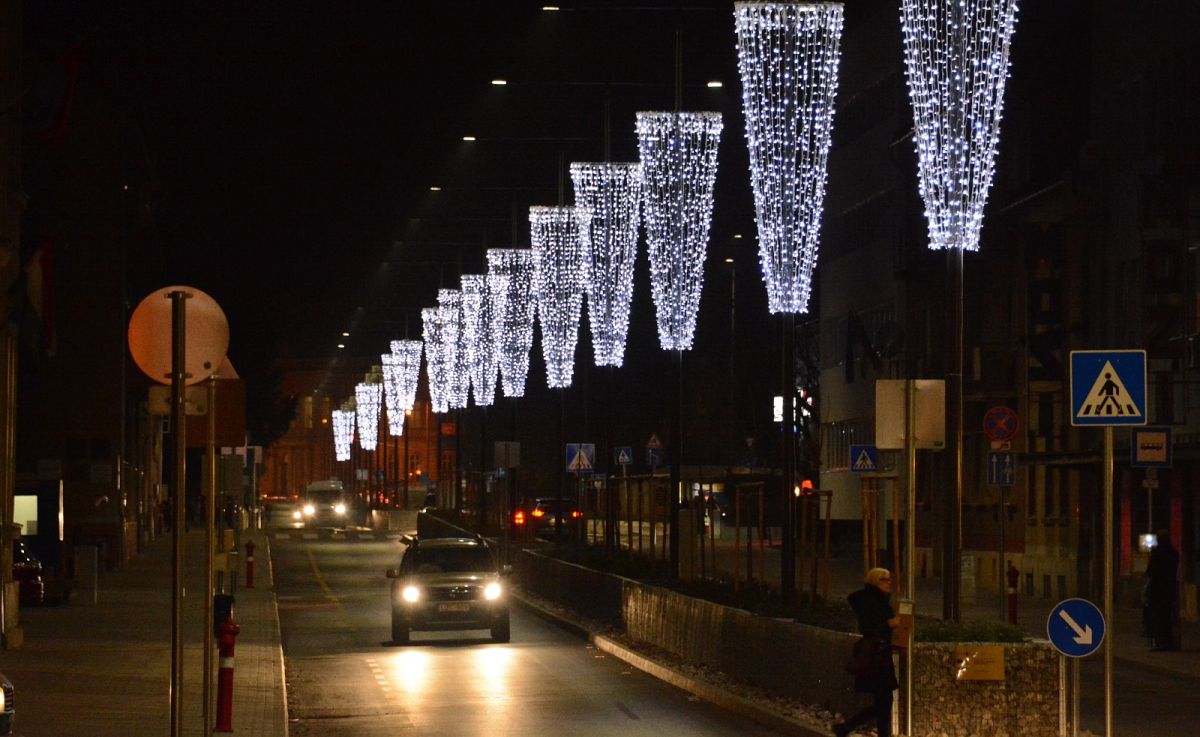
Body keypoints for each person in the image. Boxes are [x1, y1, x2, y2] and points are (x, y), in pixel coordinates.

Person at [834, 567, 899, 737]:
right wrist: (889, 624)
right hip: (876, 655)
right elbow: (869, 627)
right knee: (884, 700)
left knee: (882, 700)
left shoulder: (877, 600)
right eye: (885, 580)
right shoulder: (871, 602)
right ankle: (847, 728)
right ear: (876, 581)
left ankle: (845, 728)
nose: (889, 583)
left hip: (879, 653)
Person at [1145, 529, 1180, 651]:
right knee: (1168, 617)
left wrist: (1146, 588)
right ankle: (1169, 642)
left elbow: (1150, 572)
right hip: (1169, 590)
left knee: (1158, 618)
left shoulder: (1157, 553)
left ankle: (1160, 643)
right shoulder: (1173, 553)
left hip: (1157, 590)